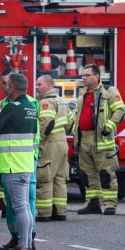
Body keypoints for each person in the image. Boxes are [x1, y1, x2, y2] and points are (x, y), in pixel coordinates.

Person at [0, 73, 37, 250]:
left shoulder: (10, 108)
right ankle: (27, 245)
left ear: (13, 89)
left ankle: (23, 248)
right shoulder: (31, 107)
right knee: (25, 207)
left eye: (6, 84)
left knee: (20, 208)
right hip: (25, 163)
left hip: (13, 165)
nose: (4, 87)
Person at [73, 64, 125, 215]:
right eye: (83, 75)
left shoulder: (109, 91)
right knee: (88, 175)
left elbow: (120, 109)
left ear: (97, 76)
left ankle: (109, 205)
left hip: (102, 140)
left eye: (87, 75)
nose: (84, 78)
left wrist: (109, 125)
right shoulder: (82, 94)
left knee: (106, 174)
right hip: (84, 139)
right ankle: (93, 203)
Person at [35, 75, 74, 221]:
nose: (36, 87)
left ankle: (45, 213)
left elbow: (46, 124)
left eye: (39, 85)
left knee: (45, 177)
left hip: (49, 143)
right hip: (63, 142)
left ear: (49, 85)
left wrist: (37, 142)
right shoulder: (62, 102)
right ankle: (60, 212)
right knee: (60, 178)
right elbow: (71, 124)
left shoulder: (46, 102)